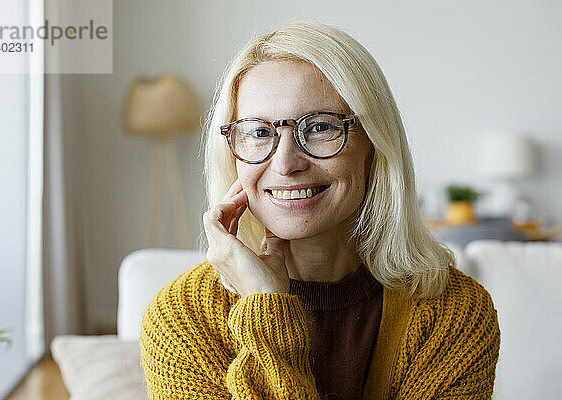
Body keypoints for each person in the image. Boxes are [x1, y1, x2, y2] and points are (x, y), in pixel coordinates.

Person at [140, 20, 500, 399]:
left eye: (319, 127)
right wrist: (267, 307)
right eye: (260, 132)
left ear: (374, 145)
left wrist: (270, 314)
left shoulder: (454, 313)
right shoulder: (183, 318)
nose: (285, 163)